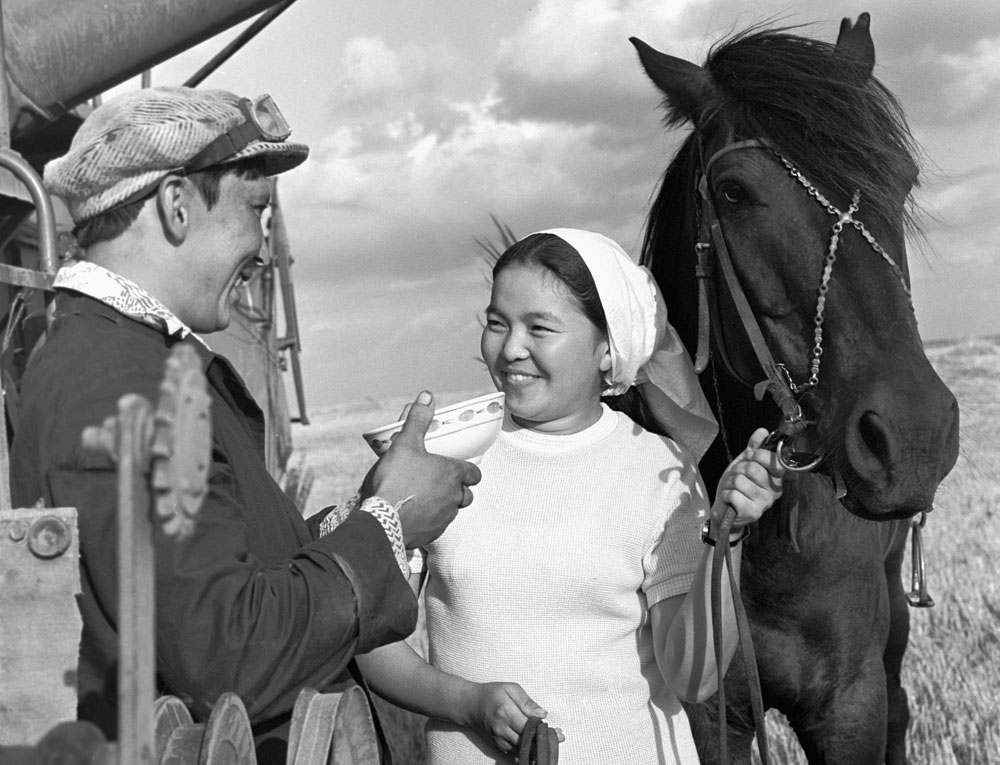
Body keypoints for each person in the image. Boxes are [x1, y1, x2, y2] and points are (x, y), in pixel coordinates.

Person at [9, 86, 480, 763]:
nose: (262, 247)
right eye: (255, 209)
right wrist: (390, 525)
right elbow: (226, 650)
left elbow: (221, 568)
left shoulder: (125, 358)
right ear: (176, 206)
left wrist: (369, 507)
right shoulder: (121, 385)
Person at [355, 229, 786, 764]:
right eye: (497, 323)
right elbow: (367, 635)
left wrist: (728, 532)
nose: (511, 348)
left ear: (608, 349)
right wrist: (466, 703)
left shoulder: (660, 470)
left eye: (540, 327)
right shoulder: (434, 459)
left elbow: (693, 678)